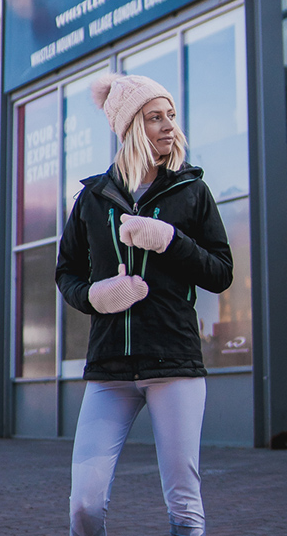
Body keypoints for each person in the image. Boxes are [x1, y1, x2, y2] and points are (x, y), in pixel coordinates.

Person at [56, 72, 233, 536]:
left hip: (174, 364)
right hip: (109, 370)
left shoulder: (192, 192)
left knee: (184, 509)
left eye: (171, 115)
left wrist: (170, 240)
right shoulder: (93, 199)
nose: (168, 125)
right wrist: (96, 296)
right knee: (84, 508)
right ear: (131, 126)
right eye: (155, 117)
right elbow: (66, 273)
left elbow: (221, 271)